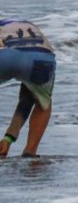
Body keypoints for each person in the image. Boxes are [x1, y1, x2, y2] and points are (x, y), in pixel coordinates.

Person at [0, 19, 56, 158]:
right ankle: (30, 152)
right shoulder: (29, 26)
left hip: (3, 56)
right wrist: (8, 138)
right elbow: (26, 100)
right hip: (42, 58)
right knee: (43, 104)